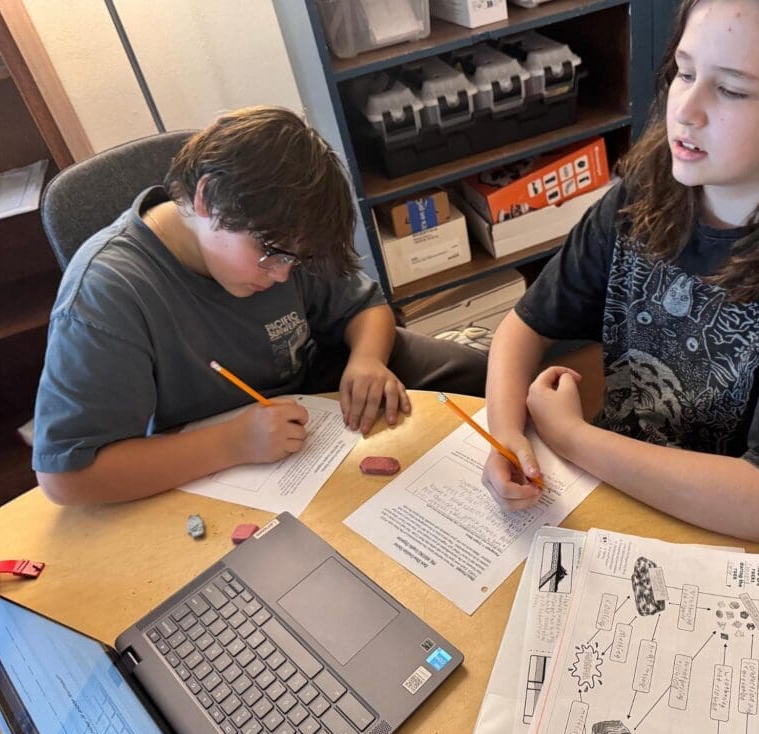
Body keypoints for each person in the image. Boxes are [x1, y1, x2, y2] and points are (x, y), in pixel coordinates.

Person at [482, 0, 759, 572]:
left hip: (751, 555)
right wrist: (506, 435)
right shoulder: (643, 196)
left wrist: (571, 438)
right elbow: (524, 326)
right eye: (685, 73)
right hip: (633, 495)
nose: (684, 110)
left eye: (732, 90)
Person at [33, 106, 486, 505]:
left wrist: (367, 359)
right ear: (207, 198)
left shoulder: (283, 234)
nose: (285, 275)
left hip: (311, 410)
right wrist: (232, 444)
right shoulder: (106, 293)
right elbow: (65, 479)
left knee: (479, 374)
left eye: (297, 259)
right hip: (207, 458)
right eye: (271, 254)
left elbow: (365, 307)